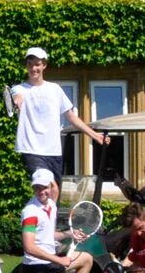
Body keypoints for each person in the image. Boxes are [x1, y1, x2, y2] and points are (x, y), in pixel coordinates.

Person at [7, 46, 109, 181]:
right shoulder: (18, 89)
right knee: (43, 183)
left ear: (44, 65)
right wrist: (17, 100)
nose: (33, 69)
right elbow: (17, 96)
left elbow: (71, 117)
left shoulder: (55, 89)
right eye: (30, 65)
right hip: (31, 150)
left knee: (54, 191)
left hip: (53, 151)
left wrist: (95, 135)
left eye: (37, 64)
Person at [18, 167, 99, 273]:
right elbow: (29, 247)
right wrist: (59, 259)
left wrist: (70, 233)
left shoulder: (51, 206)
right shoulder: (30, 212)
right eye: (37, 188)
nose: (41, 191)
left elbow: (48, 235)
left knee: (86, 259)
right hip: (37, 269)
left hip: (52, 263)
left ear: (51, 186)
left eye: (44, 187)